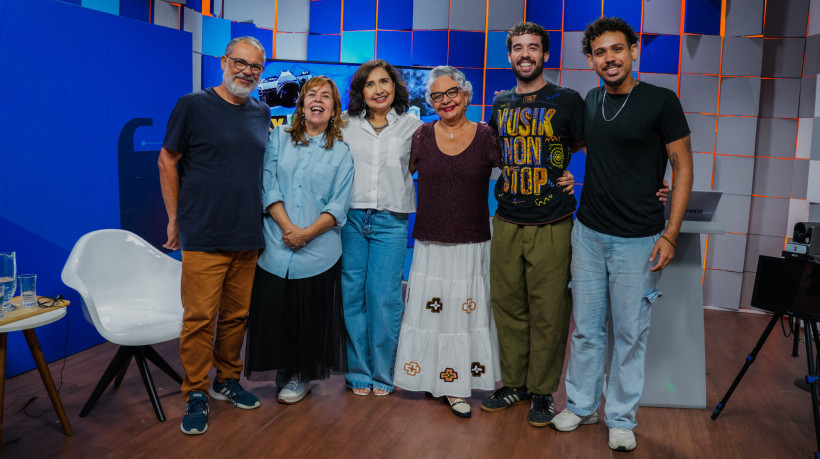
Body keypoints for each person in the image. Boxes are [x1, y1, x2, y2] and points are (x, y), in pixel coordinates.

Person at [550, 17, 693, 452]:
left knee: (630, 334)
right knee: (586, 330)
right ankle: (580, 405)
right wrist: (570, 176)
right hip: (588, 233)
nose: (609, 58)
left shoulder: (661, 101)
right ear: (590, 60)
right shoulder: (591, 101)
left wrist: (670, 234)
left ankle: (621, 417)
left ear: (633, 50)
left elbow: (683, 166)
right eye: (600, 52)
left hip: (639, 239)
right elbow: (590, 149)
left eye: (616, 49)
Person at [158, 36, 270, 435]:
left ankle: (226, 380)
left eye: (255, 67)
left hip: (247, 233)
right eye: (240, 62)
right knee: (200, 318)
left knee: (237, 317)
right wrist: (174, 219)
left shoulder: (262, 112)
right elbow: (167, 160)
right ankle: (195, 391)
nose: (247, 72)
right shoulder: (192, 106)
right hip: (204, 231)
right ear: (224, 62)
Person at [479, 22, 584, 428]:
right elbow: (495, 151)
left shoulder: (567, 100)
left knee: (549, 311)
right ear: (509, 56)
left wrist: (574, 177)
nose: (526, 54)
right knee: (507, 306)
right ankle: (516, 384)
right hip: (507, 218)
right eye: (518, 48)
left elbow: (588, 146)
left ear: (545, 54)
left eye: (533, 47)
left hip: (552, 220)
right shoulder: (501, 103)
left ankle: (543, 391)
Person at [392, 66, 504, 418]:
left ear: (466, 95)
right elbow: (394, 175)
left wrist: (563, 176)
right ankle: (429, 377)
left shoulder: (487, 136)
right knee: (430, 316)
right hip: (430, 244)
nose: (445, 101)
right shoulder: (422, 136)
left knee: (461, 318)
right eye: (437, 96)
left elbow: (518, 169)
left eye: (452, 92)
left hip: (472, 243)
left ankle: (455, 385)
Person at [244, 76, 354, 406]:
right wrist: (288, 227)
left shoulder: (342, 153)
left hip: (318, 251)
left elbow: (338, 205)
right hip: (276, 245)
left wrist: (305, 234)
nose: (318, 100)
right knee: (277, 315)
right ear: (302, 104)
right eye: (312, 94)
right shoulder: (279, 138)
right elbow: (268, 184)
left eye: (326, 96)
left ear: (334, 109)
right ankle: (284, 369)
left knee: (308, 318)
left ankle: (301, 375)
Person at [340, 60, 422, 397]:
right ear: (361, 91)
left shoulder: (413, 126)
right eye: (370, 84)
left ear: (395, 86)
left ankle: (383, 373)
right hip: (351, 218)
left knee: (384, 298)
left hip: (391, 220)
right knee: (352, 297)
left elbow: (422, 165)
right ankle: (358, 372)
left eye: (384, 82)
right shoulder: (344, 124)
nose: (378, 90)